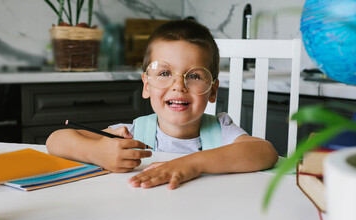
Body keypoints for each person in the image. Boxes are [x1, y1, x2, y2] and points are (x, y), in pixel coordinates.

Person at [46, 19, 278, 190]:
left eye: (194, 76)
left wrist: (191, 164)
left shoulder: (221, 131)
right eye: (165, 72)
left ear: (213, 91)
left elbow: (265, 152)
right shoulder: (133, 135)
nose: (178, 85)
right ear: (146, 86)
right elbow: (55, 140)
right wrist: (98, 152)